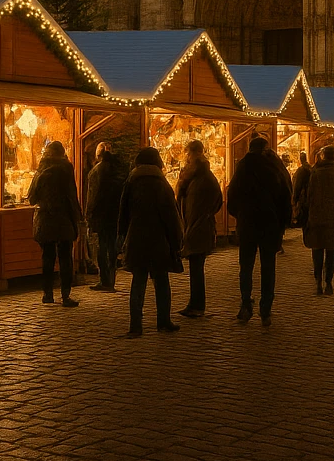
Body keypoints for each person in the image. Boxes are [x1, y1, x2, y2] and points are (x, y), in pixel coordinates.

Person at [116, 147, 184, 337]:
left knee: (138, 281)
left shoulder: (131, 182)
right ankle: (163, 321)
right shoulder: (161, 184)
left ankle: (135, 324)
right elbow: (171, 215)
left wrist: (122, 236)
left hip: (136, 238)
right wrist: (176, 241)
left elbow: (123, 213)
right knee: (161, 281)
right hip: (158, 239)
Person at [226, 135, 293, 326]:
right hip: (270, 224)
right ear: (266, 149)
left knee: (246, 266)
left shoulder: (243, 167)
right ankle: (266, 308)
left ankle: (246, 303)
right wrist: (283, 223)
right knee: (268, 266)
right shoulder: (275, 167)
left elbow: (233, 195)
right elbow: (285, 195)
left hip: (248, 223)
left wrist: (240, 215)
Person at [26, 140, 83, 307]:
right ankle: (65, 296)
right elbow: (71, 195)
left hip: (45, 218)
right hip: (63, 218)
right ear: (62, 153)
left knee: (48, 256)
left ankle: (47, 294)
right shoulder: (66, 169)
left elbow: (31, 198)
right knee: (65, 257)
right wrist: (78, 218)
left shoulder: (41, 170)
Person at [175, 139, 222, 318]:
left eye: (188, 153)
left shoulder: (201, 177)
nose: (186, 157)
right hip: (195, 224)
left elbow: (217, 200)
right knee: (195, 268)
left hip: (198, 226)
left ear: (193, 154)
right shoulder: (196, 177)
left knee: (196, 268)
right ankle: (195, 303)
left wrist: (205, 216)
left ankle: (197, 305)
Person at [300, 145, 334, 295]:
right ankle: (328, 282)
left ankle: (318, 281)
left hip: (316, 215)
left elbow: (309, 195)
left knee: (317, 249)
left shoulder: (315, 172)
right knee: (330, 250)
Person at [84, 141, 126, 292]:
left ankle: (105, 280)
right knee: (112, 247)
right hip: (115, 213)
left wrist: (89, 214)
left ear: (98, 155)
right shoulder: (117, 169)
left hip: (101, 214)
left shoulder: (97, 171)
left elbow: (93, 194)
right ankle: (111, 280)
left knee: (101, 247)